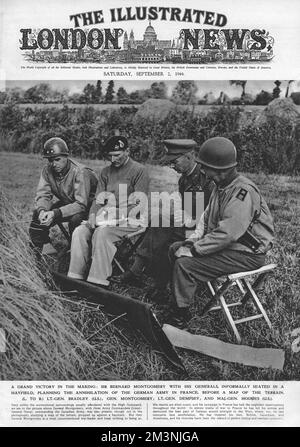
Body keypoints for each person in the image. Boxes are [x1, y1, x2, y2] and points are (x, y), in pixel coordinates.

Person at [167, 136, 275, 328]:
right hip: (232, 248)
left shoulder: (242, 191)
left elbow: (228, 233)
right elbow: (205, 220)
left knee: (185, 264)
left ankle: (180, 314)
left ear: (220, 169)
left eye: (206, 167)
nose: (204, 172)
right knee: (176, 248)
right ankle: (186, 292)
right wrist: (191, 242)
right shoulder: (221, 187)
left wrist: (193, 251)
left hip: (246, 254)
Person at [114, 139, 213, 302]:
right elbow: (188, 208)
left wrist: (190, 219)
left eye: (174, 162)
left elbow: (212, 213)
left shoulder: (207, 178)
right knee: (159, 219)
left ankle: (160, 285)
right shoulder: (184, 179)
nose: (172, 167)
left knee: (168, 241)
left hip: (205, 229)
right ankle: (137, 270)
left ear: (189, 156)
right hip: (191, 223)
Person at [67, 136, 150, 287]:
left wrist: (113, 214)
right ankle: (75, 277)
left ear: (127, 151)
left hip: (132, 219)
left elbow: (139, 205)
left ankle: (97, 281)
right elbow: (98, 200)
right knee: (80, 231)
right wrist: (93, 216)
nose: (113, 159)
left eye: (117, 155)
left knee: (102, 233)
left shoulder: (140, 171)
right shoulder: (105, 172)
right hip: (106, 218)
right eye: (110, 156)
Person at [29, 137, 98, 253]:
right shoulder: (47, 170)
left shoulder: (80, 172)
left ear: (66, 156)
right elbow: (43, 194)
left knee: (76, 220)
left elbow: (81, 204)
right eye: (50, 160)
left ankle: (79, 251)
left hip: (90, 208)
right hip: (69, 203)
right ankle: (45, 251)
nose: (53, 164)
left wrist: (55, 213)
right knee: (37, 215)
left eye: (57, 159)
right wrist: (42, 210)